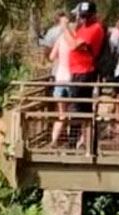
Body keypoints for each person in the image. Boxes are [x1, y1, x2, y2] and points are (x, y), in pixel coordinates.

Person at [60, 1, 105, 149]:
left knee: (77, 107)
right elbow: (72, 41)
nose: (84, 19)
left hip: (85, 72)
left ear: (93, 15)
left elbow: (73, 45)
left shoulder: (95, 28)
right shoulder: (83, 28)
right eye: (82, 16)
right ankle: (86, 141)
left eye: (87, 16)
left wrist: (64, 27)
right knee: (81, 107)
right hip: (77, 71)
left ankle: (73, 141)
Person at [49, 11, 73, 145]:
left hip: (59, 77)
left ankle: (54, 140)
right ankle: (70, 140)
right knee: (70, 111)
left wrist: (60, 58)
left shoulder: (59, 39)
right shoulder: (72, 39)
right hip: (70, 78)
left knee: (61, 113)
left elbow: (51, 57)